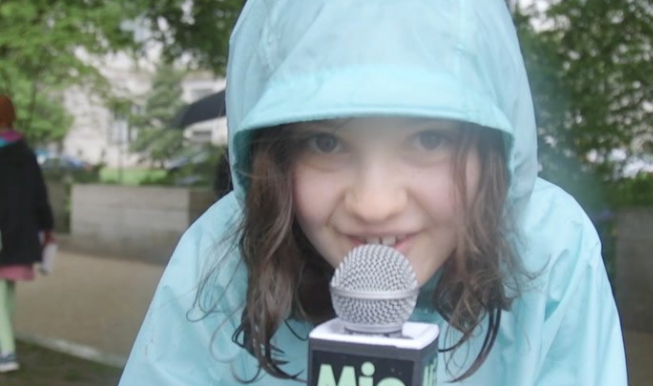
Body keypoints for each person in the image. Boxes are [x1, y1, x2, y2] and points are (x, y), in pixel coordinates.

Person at [119, 1, 627, 384]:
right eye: (326, 142)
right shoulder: (221, 257)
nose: (374, 204)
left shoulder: (551, 250)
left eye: (429, 139)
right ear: (274, 156)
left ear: (492, 149)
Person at [0, 95, 55, 373]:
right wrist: (47, 228)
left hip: (3, 233)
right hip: (20, 233)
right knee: (6, 289)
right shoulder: (25, 152)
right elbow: (39, 195)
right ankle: (4, 346)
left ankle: (6, 353)